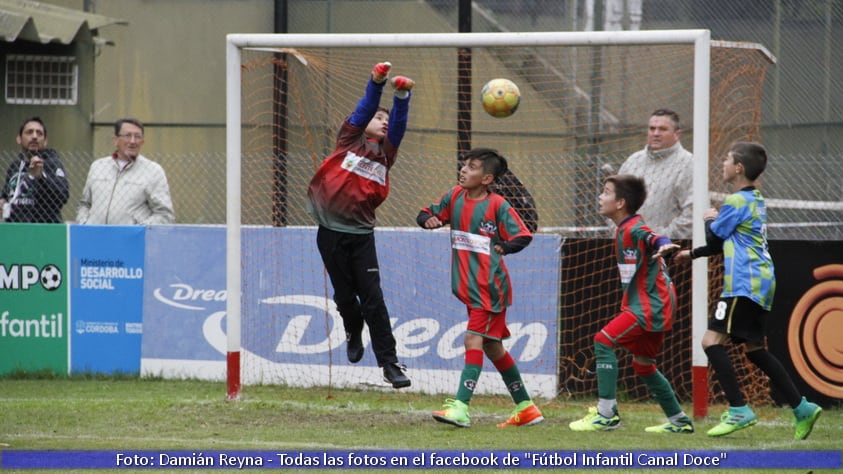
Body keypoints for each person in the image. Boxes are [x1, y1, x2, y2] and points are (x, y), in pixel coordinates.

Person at [673, 141, 822, 439]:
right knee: (755, 350)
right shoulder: (755, 199)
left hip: (743, 283)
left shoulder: (737, 201)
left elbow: (716, 238)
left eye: (727, 160)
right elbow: (723, 243)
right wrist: (691, 254)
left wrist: (708, 218)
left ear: (739, 168)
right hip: (763, 281)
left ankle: (739, 409)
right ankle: (802, 408)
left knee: (710, 340)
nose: (723, 164)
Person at [418, 147, 544, 428]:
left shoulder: (498, 205)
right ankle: (526, 407)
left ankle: (461, 407)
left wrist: (505, 246)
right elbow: (426, 212)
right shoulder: (455, 196)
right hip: (468, 287)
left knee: (472, 341)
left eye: (472, 167)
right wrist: (428, 220)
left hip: (489, 288)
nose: (464, 170)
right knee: (493, 347)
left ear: (487, 178)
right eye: (464, 165)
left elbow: (523, 234)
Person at [306, 62, 414, 389]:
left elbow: (399, 125)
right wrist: (376, 82)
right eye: (377, 118)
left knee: (374, 299)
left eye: (385, 119)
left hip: (362, 237)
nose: (383, 122)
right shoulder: (349, 140)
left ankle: (390, 364)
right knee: (344, 296)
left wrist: (402, 97)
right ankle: (352, 331)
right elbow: (365, 107)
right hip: (330, 234)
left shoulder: (386, 155)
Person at [569, 174, 693, 433]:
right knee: (643, 365)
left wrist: (664, 243)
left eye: (606, 192)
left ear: (620, 203)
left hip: (651, 304)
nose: (600, 197)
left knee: (603, 341)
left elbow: (651, 237)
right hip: (656, 301)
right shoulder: (623, 228)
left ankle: (606, 414)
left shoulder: (633, 228)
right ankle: (679, 421)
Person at [76, 118, 174, 225]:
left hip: (131, 240)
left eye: (137, 136)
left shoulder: (153, 171)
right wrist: (84, 224)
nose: (132, 141)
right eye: (127, 135)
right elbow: (84, 204)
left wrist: (138, 230)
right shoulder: (98, 166)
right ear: (116, 140)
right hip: (95, 237)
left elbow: (164, 214)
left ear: (142, 141)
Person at [618, 108, 694, 238]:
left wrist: (659, 239)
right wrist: (621, 233)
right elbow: (613, 201)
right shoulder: (633, 161)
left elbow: (692, 213)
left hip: (668, 250)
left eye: (663, 129)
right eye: (652, 129)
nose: (656, 133)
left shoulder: (688, 163)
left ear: (677, 134)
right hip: (629, 246)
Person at [1, 117, 69, 223]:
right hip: (15, 228)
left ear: (45, 141)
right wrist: (3, 201)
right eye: (29, 132)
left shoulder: (53, 163)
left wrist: (41, 177)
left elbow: (62, 196)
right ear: (19, 139)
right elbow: (7, 193)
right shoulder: (15, 166)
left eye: (39, 133)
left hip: (43, 229)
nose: (34, 136)